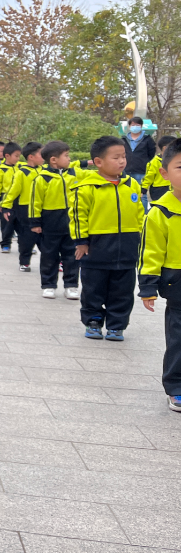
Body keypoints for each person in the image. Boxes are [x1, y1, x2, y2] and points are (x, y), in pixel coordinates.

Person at [71, 136, 144, 341]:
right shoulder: (87, 187)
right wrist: (81, 242)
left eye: (123, 156)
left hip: (127, 249)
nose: (122, 161)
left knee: (123, 291)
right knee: (93, 289)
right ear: (98, 162)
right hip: (97, 249)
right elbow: (78, 216)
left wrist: (141, 241)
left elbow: (140, 215)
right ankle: (93, 321)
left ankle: (116, 325)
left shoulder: (132, 185)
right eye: (116, 157)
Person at [138, 137, 181, 412]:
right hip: (178, 288)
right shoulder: (159, 213)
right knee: (178, 340)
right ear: (164, 174)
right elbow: (150, 253)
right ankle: (176, 386)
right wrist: (147, 287)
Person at [29, 141, 80, 300]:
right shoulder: (42, 179)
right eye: (66, 156)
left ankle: (71, 286)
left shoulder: (72, 174)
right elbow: (35, 202)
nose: (69, 158)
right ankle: (48, 285)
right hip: (50, 223)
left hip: (71, 223)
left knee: (72, 257)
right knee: (49, 256)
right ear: (53, 160)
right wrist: (35, 223)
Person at [1, 142, 43, 271]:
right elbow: (13, 192)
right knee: (27, 238)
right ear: (31, 157)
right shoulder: (21, 173)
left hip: (42, 209)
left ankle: (53, 262)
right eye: (41, 154)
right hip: (25, 210)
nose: (44, 157)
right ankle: (24, 262)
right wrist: (6, 207)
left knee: (46, 239)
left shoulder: (44, 171)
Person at [0, 143, 20, 242]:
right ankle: (6, 243)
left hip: (18, 198)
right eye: (16, 156)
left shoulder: (20, 168)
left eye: (19, 156)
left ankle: (25, 243)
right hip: (4, 198)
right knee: (6, 221)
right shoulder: (1, 169)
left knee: (21, 222)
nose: (18, 159)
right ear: (7, 156)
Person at [123, 116, 156, 187]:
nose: (135, 127)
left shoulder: (147, 139)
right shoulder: (123, 140)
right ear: (129, 126)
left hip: (141, 171)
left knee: (141, 193)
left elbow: (151, 154)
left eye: (137, 125)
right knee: (126, 192)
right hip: (126, 170)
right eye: (133, 125)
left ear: (141, 126)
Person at [143, 135, 176, 204]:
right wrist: (143, 188)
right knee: (159, 207)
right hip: (158, 189)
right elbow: (149, 176)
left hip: (171, 187)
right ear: (165, 148)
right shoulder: (155, 161)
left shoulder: (174, 160)